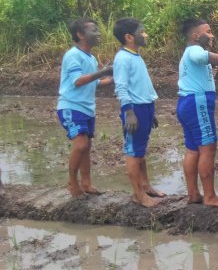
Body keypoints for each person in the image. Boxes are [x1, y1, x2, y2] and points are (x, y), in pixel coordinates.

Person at [176, 18, 218, 207]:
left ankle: (193, 193)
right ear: (195, 36)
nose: (211, 35)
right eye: (207, 32)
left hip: (187, 102)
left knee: (193, 149)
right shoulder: (195, 50)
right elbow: (202, 57)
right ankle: (210, 196)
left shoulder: (189, 52)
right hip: (197, 102)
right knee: (208, 147)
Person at [57, 18, 113, 198]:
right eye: (94, 30)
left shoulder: (91, 57)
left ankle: (87, 183)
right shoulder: (73, 55)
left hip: (87, 108)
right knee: (80, 145)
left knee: (87, 146)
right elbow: (78, 81)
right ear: (80, 35)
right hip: (71, 106)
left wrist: (111, 79)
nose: (98, 34)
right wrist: (104, 71)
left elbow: (94, 82)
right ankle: (73, 183)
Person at [112, 17, 164, 207]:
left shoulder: (135, 56)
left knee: (141, 150)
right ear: (129, 37)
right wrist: (129, 113)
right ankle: (138, 194)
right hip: (134, 109)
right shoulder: (123, 59)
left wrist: (151, 113)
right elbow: (121, 87)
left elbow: (140, 86)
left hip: (145, 107)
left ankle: (145, 185)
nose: (145, 34)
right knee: (133, 152)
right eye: (142, 31)